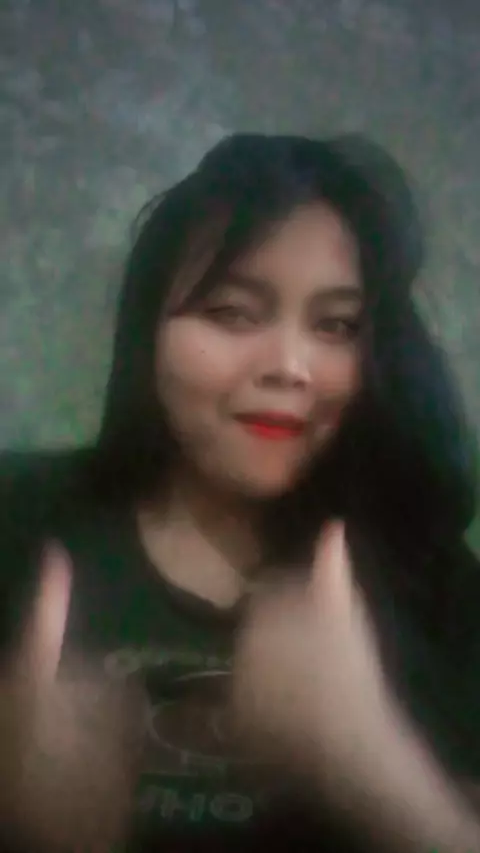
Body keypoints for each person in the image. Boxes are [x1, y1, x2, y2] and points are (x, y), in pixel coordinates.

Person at [1, 131, 480, 853]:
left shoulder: (430, 577)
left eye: (337, 325)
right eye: (232, 312)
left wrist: (379, 773)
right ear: (148, 332)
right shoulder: (17, 517)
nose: (290, 366)